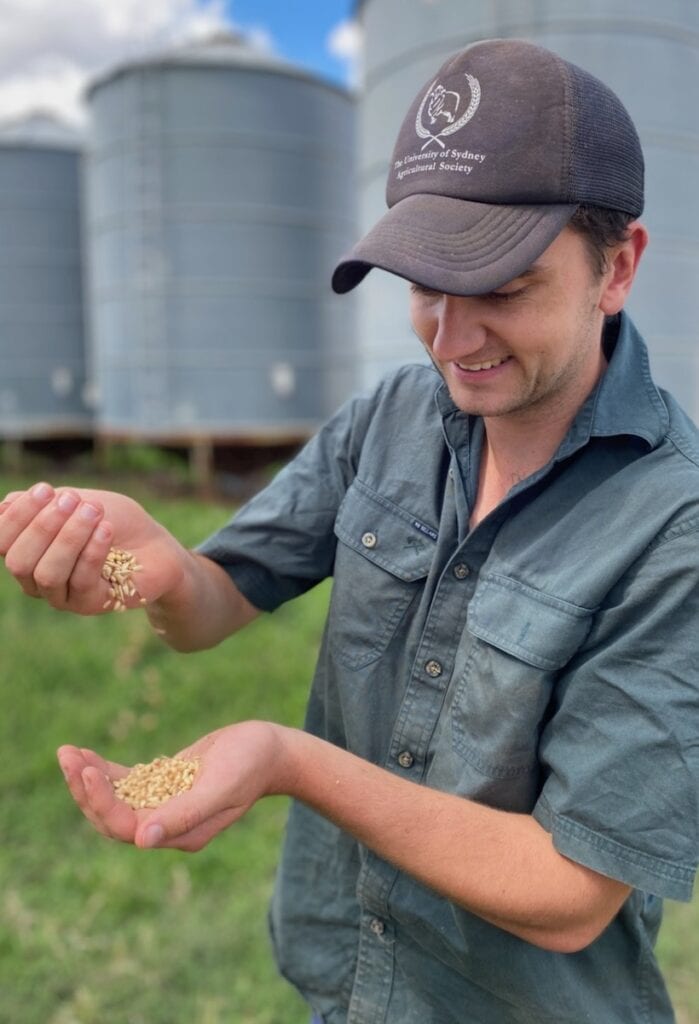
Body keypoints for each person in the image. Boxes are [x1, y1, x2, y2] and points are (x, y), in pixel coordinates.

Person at [1, 37, 698, 1024]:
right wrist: (151, 569)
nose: (450, 342)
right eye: (424, 285)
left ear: (617, 266)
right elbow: (212, 602)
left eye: (502, 287)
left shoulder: (674, 526)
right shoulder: (392, 421)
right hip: (351, 996)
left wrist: (291, 760)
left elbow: (570, 890)